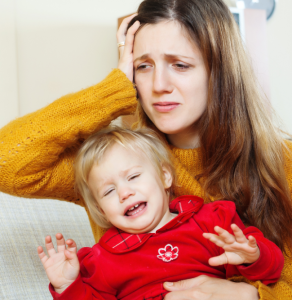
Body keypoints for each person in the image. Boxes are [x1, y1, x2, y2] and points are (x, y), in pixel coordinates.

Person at [1, 0, 292, 298]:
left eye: (180, 65)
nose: (158, 85)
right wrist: (113, 90)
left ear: (219, 71)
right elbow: (7, 161)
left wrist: (250, 296)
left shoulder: (282, 163)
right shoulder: (112, 165)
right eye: (143, 66)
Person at [37, 127, 283, 300]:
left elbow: (271, 272)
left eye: (133, 177)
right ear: (102, 210)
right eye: (109, 191)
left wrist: (254, 256)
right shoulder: (102, 259)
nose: (125, 193)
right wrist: (68, 285)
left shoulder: (211, 221)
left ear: (165, 176)